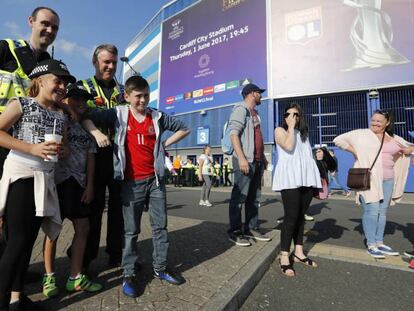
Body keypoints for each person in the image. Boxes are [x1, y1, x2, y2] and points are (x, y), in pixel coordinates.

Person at [83, 75, 190, 298]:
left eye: (146, 96)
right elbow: (86, 117)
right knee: (131, 231)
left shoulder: (157, 117)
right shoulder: (119, 114)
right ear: (127, 96)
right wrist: (96, 132)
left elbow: (183, 128)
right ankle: (129, 273)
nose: (143, 100)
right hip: (131, 183)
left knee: (160, 227)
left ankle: (160, 268)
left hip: (156, 182)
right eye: (138, 96)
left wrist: (163, 144)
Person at [0, 59, 75, 311]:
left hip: (45, 179)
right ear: (41, 80)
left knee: (27, 242)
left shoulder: (60, 115)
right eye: (58, 80)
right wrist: (31, 148)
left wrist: (63, 150)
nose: (63, 86)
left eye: (65, 82)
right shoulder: (21, 103)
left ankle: (16, 299)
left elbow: (62, 148)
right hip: (22, 177)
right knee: (16, 243)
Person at [41, 83, 102, 298]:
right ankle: (48, 276)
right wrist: (66, 111)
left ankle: (75, 277)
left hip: (80, 184)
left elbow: (92, 158)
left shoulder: (88, 127)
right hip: (57, 182)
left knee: (83, 228)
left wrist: (91, 186)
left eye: (83, 100)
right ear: (66, 100)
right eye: (74, 98)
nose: (80, 103)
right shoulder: (57, 118)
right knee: (52, 231)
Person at [334, 109, 413, 258]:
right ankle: (371, 244)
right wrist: (355, 152)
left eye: (379, 121)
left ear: (387, 123)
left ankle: (379, 242)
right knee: (372, 210)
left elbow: (409, 148)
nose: (375, 123)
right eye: (373, 120)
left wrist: (409, 150)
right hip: (370, 178)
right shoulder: (362, 134)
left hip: (388, 180)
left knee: (382, 212)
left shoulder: (394, 138)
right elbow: (338, 140)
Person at [0, 6, 60, 178]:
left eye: (55, 27)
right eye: (45, 24)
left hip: (28, 146)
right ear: (31, 22)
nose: (50, 30)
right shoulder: (6, 48)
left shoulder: (51, 66)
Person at [79, 44, 125, 269]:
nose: (111, 66)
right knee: (94, 209)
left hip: (118, 155)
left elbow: (128, 118)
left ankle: (116, 254)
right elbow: (79, 113)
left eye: (114, 62)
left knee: (118, 208)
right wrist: (96, 130)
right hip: (93, 156)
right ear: (95, 62)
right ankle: (86, 258)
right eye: (106, 62)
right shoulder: (83, 86)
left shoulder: (124, 90)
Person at [272, 103, 321, 276]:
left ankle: (299, 253)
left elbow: (304, 157)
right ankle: (284, 255)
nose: (292, 117)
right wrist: (291, 127)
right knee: (291, 217)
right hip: (290, 179)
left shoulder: (304, 135)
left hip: (305, 179)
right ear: (284, 117)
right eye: (289, 114)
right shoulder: (280, 131)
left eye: (296, 115)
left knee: (301, 216)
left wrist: (318, 157)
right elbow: (288, 146)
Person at [227, 83, 271, 247]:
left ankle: (251, 228)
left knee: (254, 198)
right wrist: (242, 158)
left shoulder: (255, 113)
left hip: (257, 161)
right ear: (252, 93)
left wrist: (263, 158)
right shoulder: (241, 109)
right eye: (259, 93)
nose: (261, 95)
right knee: (239, 198)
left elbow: (258, 136)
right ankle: (235, 231)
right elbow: (233, 135)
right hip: (245, 161)